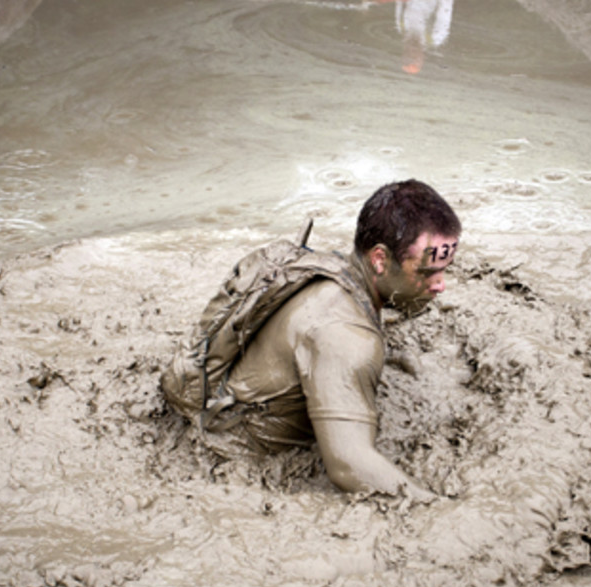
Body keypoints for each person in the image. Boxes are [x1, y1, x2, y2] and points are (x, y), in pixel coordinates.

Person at [167, 179, 460, 501]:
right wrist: (438, 507)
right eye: (426, 272)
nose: (440, 285)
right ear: (379, 259)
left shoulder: (334, 268)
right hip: (234, 458)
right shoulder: (346, 337)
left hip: (220, 396)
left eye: (445, 270)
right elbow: (350, 466)